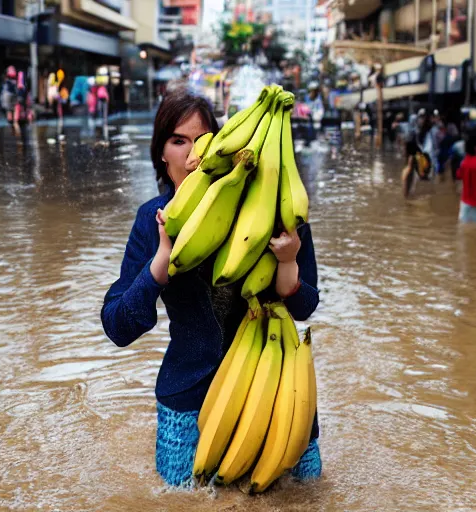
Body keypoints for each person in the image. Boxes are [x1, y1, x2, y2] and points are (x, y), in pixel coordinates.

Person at [100, 90, 322, 487]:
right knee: (180, 499)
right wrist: (160, 263)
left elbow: (306, 307)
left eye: (201, 140)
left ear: (222, 147)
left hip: (272, 391)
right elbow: (118, 326)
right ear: (161, 154)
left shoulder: (271, 210)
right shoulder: (151, 220)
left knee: (307, 492)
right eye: (177, 140)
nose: (190, 155)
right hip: (187, 393)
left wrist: (287, 260)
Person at [13, 71, 34, 144]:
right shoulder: (22, 89)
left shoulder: (21, 89)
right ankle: (21, 140)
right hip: (21, 110)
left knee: (22, 130)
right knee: (22, 130)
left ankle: (21, 140)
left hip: (22, 111)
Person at [0, 66, 18, 136]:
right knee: (11, 109)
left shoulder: (7, 80)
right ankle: (12, 121)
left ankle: (10, 121)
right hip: (12, 94)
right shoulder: (14, 80)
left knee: (9, 109)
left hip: (8, 94)